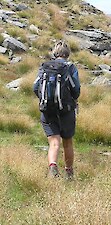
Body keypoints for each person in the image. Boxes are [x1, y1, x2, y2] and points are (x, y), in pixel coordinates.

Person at [33, 41, 80, 179]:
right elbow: (76, 90)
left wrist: (45, 101)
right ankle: (69, 173)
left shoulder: (45, 67)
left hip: (47, 110)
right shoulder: (70, 67)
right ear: (68, 54)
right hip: (66, 111)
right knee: (67, 142)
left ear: (55, 52)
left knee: (54, 142)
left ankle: (53, 166)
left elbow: (35, 87)